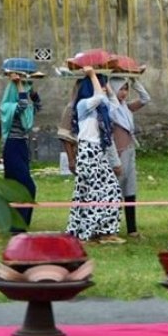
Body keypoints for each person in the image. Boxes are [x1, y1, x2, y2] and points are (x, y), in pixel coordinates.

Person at [67, 67, 125, 244]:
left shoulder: (101, 108)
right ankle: (90, 233)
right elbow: (99, 97)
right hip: (88, 152)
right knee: (92, 193)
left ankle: (103, 231)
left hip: (97, 152)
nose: (104, 89)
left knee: (111, 190)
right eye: (101, 85)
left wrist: (104, 82)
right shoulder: (83, 105)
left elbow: (114, 104)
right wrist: (93, 76)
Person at [107, 76, 151, 238]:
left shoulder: (126, 107)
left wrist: (134, 80)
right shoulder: (110, 109)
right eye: (121, 88)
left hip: (130, 151)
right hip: (117, 154)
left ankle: (132, 229)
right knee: (114, 190)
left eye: (126, 89)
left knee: (130, 190)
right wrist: (114, 159)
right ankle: (110, 228)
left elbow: (145, 98)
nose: (124, 92)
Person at [0, 71, 41, 233]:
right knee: (26, 186)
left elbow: (37, 105)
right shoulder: (8, 106)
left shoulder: (26, 109)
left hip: (22, 146)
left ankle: (19, 225)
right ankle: (17, 225)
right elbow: (22, 104)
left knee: (20, 187)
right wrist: (17, 84)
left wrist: (30, 88)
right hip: (12, 146)